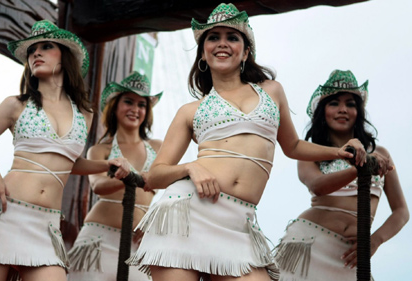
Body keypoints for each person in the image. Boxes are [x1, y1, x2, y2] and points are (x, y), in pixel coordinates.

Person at [126, 4, 370, 281]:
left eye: (232, 37)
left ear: (245, 52)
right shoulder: (190, 111)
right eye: (213, 37)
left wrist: (337, 151)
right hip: (185, 214)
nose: (222, 43)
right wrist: (190, 168)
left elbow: (293, 147)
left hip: (239, 223)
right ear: (203, 52)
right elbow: (156, 175)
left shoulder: (271, 91)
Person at [0, 20, 129, 281]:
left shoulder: (84, 114)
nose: (36, 53)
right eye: (31, 50)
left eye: (46, 47)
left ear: (66, 57)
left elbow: (67, 163)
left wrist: (106, 165)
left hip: (45, 226)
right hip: (3, 214)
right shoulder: (15, 105)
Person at [273, 70, 409, 280]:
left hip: (352, 255)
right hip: (309, 244)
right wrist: (360, 168)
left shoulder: (380, 154)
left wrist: (375, 240)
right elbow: (317, 185)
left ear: (358, 112)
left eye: (351, 104)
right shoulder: (311, 151)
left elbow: (401, 211)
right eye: (334, 103)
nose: (343, 110)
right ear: (323, 111)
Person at [67, 71, 163, 281]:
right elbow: (98, 185)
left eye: (141, 105)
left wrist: (154, 225)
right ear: (115, 107)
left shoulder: (159, 148)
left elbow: (174, 188)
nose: (135, 109)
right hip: (97, 240)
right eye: (128, 101)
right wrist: (128, 177)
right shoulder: (100, 150)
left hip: (139, 243)